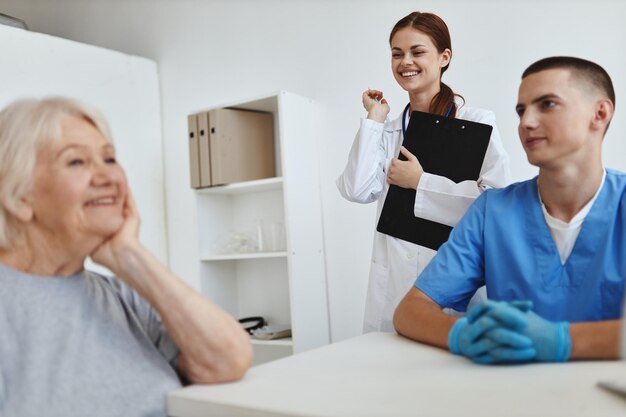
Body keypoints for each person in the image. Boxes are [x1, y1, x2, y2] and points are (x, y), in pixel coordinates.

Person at [0, 97, 253, 416]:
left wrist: (130, 255)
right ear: (18, 196)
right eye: (76, 162)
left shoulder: (122, 297)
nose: (108, 177)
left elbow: (228, 360)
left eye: (109, 159)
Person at [394, 56, 624, 363]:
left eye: (548, 104)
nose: (526, 122)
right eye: (521, 110)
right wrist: (461, 333)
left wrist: (562, 341)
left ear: (600, 113)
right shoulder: (494, 211)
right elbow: (409, 310)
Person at [336, 11, 510, 332]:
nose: (406, 62)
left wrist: (421, 183)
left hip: (454, 289)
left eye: (417, 52)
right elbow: (356, 190)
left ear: (444, 58)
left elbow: (496, 203)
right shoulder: (388, 131)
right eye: (397, 53)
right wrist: (374, 119)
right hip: (393, 288)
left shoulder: (475, 122)